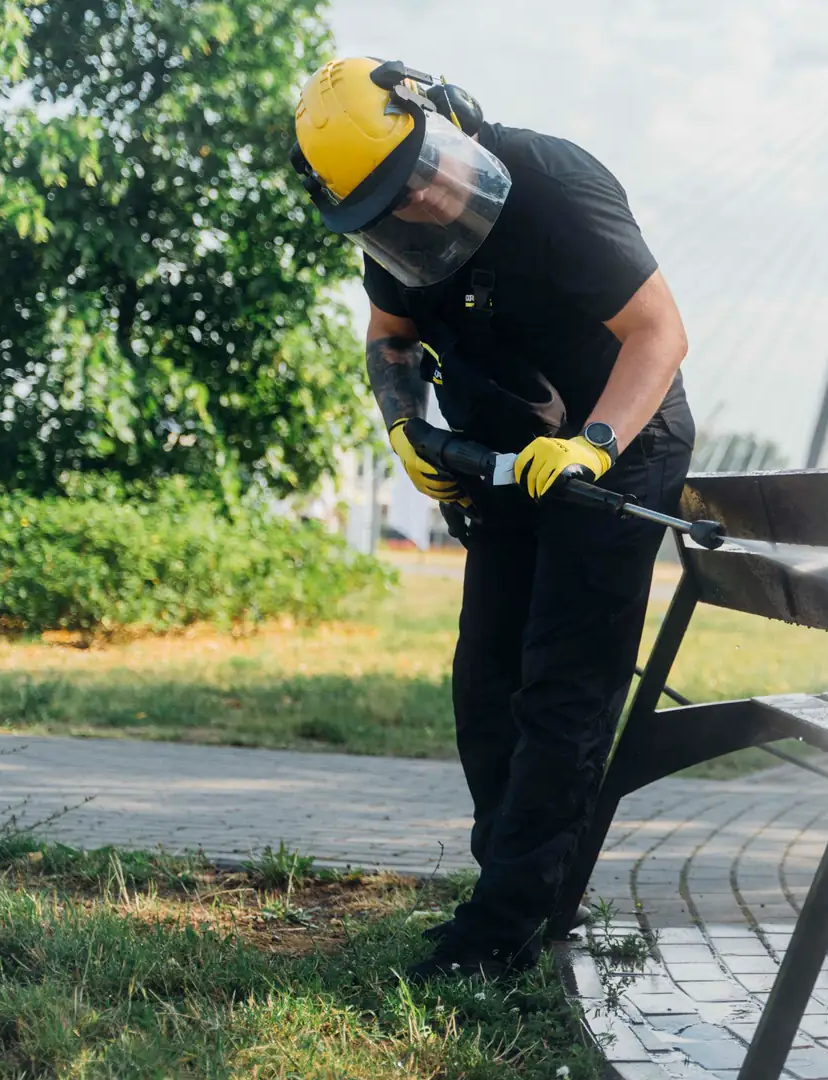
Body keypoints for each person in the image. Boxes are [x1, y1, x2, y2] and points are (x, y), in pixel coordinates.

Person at [290, 57, 695, 978]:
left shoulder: (557, 186)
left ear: (448, 118)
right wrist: (405, 428)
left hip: (619, 441)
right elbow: (389, 339)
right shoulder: (392, 226)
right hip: (513, 451)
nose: (420, 206)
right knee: (486, 680)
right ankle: (513, 891)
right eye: (390, 201)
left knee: (562, 684)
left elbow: (660, 334)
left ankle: (507, 926)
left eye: (422, 175)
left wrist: (594, 443)